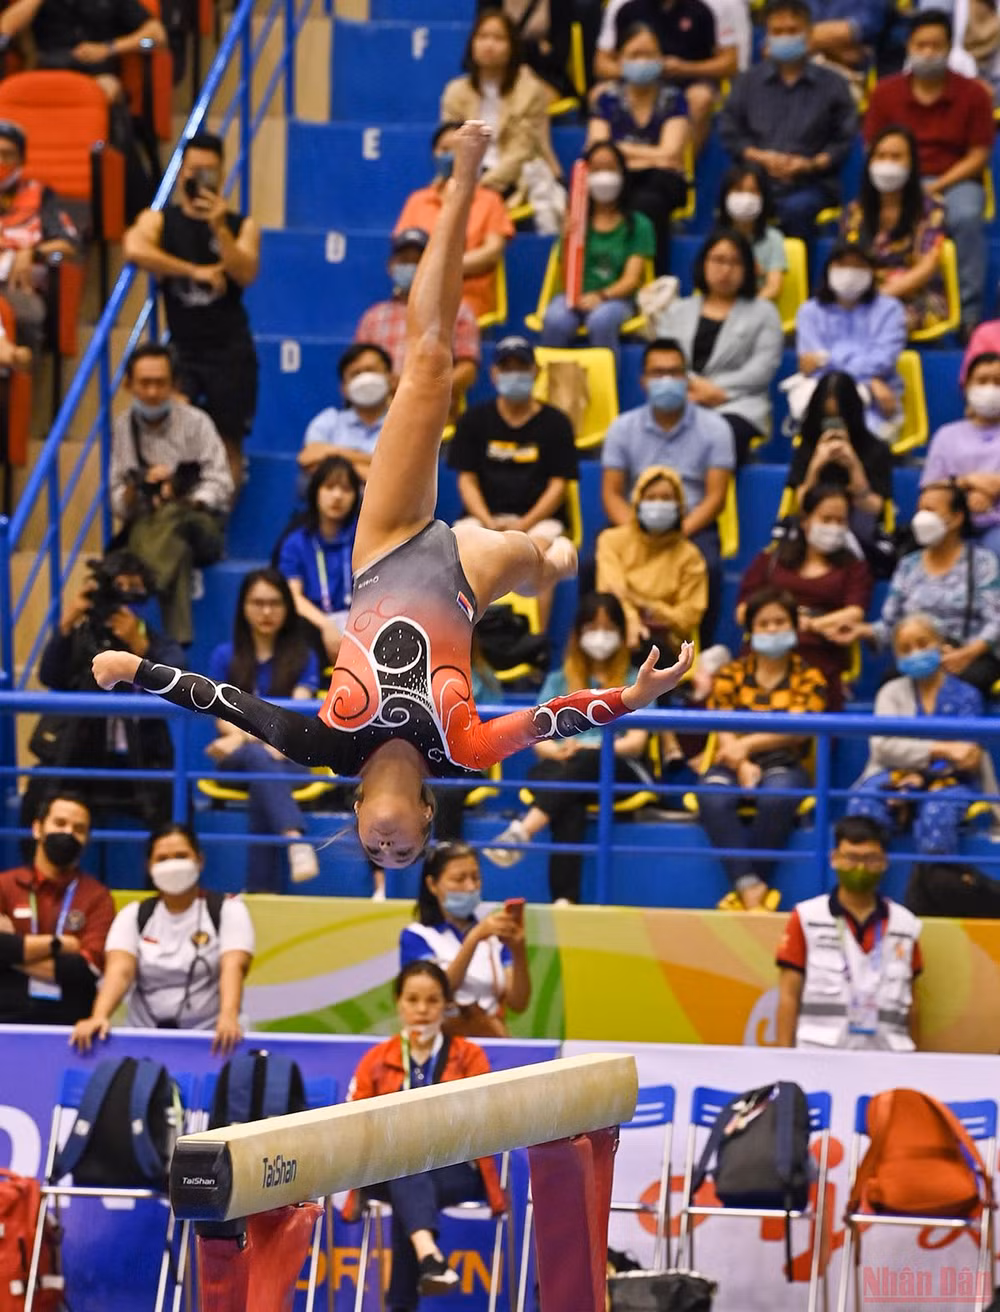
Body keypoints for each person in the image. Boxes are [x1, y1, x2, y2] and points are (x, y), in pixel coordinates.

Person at [92, 123, 695, 872]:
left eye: (376, 850)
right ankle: (548, 561)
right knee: (534, 554)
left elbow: (226, 702)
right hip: (467, 577)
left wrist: (135, 669)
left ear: (353, 811)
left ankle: (465, 174)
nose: (386, 844)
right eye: (404, 848)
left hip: (384, 546)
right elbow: (549, 720)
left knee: (431, 366)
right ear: (425, 813)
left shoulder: (324, 741)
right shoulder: (464, 749)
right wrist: (634, 698)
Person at [343, 961, 508, 1301]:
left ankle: (422, 1263)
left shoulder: (469, 1056)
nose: (422, 1009)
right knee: (407, 1167)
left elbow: (489, 1121)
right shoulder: (376, 1059)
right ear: (399, 1002)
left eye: (432, 1000)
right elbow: (354, 1122)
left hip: (455, 1169)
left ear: (447, 1004)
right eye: (413, 999)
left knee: (410, 1176)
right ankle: (429, 1256)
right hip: (386, 1169)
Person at [484, 593, 655, 905]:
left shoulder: (637, 679)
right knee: (569, 799)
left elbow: (636, 743)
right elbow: (538, 736)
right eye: (591, 626)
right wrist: (558, 751)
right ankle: (565, 901)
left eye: (608, 627)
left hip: (619, 772)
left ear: (621, 631)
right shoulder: (559, 679)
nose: (600, 635)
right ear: (578, 633)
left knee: (588, 759)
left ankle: (524, 830)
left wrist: (589, 747)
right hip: (563, 768)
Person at [122, 133, 260, 491]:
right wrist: (193, 271)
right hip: (183, 349)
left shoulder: (240, 225)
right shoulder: (159, 220)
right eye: (195, 169)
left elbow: (245, 271)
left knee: (229, 442)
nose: (201, 177)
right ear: (182, 170)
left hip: (231, 350)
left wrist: (217, 226)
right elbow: (134, 249)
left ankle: (218, 530)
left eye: (210, 171)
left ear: (223, 171)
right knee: (169, 433)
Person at [28, 550, 182, 830]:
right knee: (40, 788)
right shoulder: (84, 638)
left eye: (133, 588)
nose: (124, 597)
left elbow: (177, 687)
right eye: (117, 587)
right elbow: (51, 676)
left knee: (173, 800)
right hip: (82, 758)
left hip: (142, 762)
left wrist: (140, 646)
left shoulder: (158, 642)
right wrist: (66, 625)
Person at [696, 587, 827, 911]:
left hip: (784, 761)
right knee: (712, 794)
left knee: (777, 796)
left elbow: (799, 729)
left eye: (780, 622)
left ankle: (744, 890)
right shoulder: (730, 673)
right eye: (764, 623)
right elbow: (722, 723)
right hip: (730, 761)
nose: (772, 629)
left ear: (794, 628)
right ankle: (754, 892)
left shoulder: (810, 676)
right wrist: (741, 763)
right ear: (751, 631)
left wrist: (747, 745)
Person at [69, 823, 255, 1051]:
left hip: (213, 1038)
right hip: (144, 1038)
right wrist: (99, 1016)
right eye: (162, 859)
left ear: (200, 860)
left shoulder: (228, 911)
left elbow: (233, 967)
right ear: (149, 866)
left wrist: (228, 1016)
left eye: (181, 856)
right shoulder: (134, 916)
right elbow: (120, 971)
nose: (172, 865)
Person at [864, 9, 994, 332]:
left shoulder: (974, 94)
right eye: (921, 45)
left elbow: (979, 154)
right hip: (898, 176)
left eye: (936, 45)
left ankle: (968, 315)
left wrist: (935, 188)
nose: (927, 52)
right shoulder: (885, 93)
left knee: (965, 216)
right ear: (909, 45)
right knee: (863, 213)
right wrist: (903, 182)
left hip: (955, 179)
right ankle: (867, 300)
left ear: (950, 48)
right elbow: (873, 147)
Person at [601, 336, 735, 641]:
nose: (666, 380)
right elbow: (611, 493)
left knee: (710, 565)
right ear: (643, 380)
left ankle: (699, 654)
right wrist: (639, 534)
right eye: (657, 373)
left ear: (687, 379)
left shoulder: (716, 428)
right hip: (635, 522)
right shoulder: (622, 427)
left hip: (691, 523)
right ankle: (605, 644)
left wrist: (675, 532)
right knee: (589, 563)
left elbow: (716, 497)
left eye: (674, 373)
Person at [109, 341, 234, 646]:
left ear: (174, 384)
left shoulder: (196, 422)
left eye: (160, 383)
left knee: (174, 516)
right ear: (129, 385)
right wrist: (136, 490)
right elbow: (117, 499)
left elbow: (222, 483)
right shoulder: (123, 427)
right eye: (144, 383)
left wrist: (181, 493)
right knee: (174, 544)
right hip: (151, 524)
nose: (152, 392)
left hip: (201, 525)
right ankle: (178, 645)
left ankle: (144, 584)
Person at [447, 335, 577, 624]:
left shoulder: (557, 423)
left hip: (539, 520)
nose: (514, 374)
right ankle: (467, 644)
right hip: (481, 518)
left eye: (522, 367)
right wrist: (488, 521)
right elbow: (466, 480)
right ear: (494, 374)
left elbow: (559, 486)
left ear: (536, 372)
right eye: (507, 367)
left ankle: (538, 644)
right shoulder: (473, 421)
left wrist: (524, 525)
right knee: (457, 555)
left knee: (539, 555)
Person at [207, 568, 322, 891]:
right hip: (239, 761)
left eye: (275, 603)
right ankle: (295, 839)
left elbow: (295, 716)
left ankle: (261, 891)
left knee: (263, 771)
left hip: (287, 759)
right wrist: (264, 738)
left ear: (287, 608)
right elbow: (220, 719)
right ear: (243, 607)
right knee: (258, 757)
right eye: (257, 603)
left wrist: (241, 737)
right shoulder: (224, 657)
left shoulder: (304, 657)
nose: (266, 611)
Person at [846, 615, 996, 858]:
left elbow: (967, 756)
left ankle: (932, 890)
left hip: (952, 780)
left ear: (940, 644)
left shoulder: (967, 695)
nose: (916, 653)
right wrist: (942, 749)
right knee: (864, 804)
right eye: (906, 649)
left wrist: (922, 775)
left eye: (923, 644)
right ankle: (871, 886)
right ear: (897, 657)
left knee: (937, 811)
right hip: (892, 774)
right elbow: (883, 748)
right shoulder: (890, 692)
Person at [776, 815, 921, 1050]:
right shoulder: (807, 917)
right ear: (835, 859)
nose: (861, 868)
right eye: (852, 858)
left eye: (871, 859)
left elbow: (913, 1004)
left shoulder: (905, 924)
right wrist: (784, 1057)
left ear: (884, 862)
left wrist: (916, 1063)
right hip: (820, 1056)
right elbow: (788, 994)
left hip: (889, 1059)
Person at [717, 0, 858, 241]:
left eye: (793, 31)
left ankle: (798, 275)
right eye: (778, 32)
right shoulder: (747, 83)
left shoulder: (834, 85)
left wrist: (810, 164)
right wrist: (761, 158)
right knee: (735, 203)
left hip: (811, 182)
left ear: (809, 34)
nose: (785, 37)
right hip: (755, 179)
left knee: (797, 209)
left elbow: (843, 140)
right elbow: (730, 131)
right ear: (768, 37)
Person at [844, 481, 1000, 694]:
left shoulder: (983, 562)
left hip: (967, 656)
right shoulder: (908, 564)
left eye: (930, 510)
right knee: (890, 686)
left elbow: (995, 621)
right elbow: (891, 624)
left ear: (956, 517)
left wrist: (966, 654)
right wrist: (863, 631)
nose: (921, 518)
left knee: (961, 688)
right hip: (917, 656)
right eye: (919, 510)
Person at [652, 228, 783, 463]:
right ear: (704, 262)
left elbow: (762, 370)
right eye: (719, 260)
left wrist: (715, 390)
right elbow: (663, 360)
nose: (726, 269)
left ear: (748, 269)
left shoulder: (764, 312)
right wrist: (692, 387)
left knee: (718, 434)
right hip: (684, 399)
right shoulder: (677, 310)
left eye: (735, 262)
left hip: (738, 404)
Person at [738, 484, 873, 710]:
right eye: (827, 519)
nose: (834, 527)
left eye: (841, 521)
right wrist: (782, 622)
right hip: (762, 656)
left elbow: (854, 613)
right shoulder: (771, 560)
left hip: (819, 658)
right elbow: (743, 612)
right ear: (805, 521)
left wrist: (809, 624)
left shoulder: (854, 567)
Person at [0, 793, 114, 1025]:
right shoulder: (4, 885)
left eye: (79, 829)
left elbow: (85, 970)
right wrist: (59, 944)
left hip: (73, 1027)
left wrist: (10, 954)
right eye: (60, 823)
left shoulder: (98, 897)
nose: (68, 833)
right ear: (37, 828)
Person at [586, 22, 689, 274]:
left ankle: (654, 279)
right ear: (620, 59)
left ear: (660, 58)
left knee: (648, 202)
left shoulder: (673, 99)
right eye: (634, 55)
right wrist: (652, 156)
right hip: (620, 178)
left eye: (649, 55)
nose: (642, 61)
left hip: (661, 182)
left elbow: (672, 153)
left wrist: (621, 153)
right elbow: (598, 150)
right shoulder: (607, 99)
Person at [399, 841, 530, 1036]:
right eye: (459, 879)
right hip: (442, 1046)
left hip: (491, 1042)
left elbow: (519, 1004)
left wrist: (518, 950)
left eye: (475, 878)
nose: (470, 887)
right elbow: (438, 990)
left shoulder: (495, 937)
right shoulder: (416, 936)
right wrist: (475, 938)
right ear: (432, 884)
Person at [540, 140, 655, 361]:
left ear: (622, 173)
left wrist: (601, 296)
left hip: (616, 299)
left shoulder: (639, 224)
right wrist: (565, 239)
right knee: (555, 319)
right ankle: (553, 389)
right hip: (574, 296)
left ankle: (605, 388)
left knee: (601, 321)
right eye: (596, 169)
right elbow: (564, 273)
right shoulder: (574, 219)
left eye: (610, 168)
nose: (603, 176)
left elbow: (631, 279)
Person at [441, 10, 564, 213]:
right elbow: (447, 143)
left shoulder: (529, 90)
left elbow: (523, 151)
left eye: (498, 38)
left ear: (512, 47)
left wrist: (480, 185)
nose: (489, 44)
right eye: (482, 37)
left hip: (513, 179)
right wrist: (466, 180)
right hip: (466, 175)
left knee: (482, 207)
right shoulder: (456, 91)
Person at [355, 228, 481, 423]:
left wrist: (424, 388)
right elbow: (357, 368)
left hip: (432, 415)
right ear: (391, 266)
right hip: (379, 412)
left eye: (418, 260)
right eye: (404, 261)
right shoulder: (373, 317)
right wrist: (384, 386)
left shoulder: (456, 311)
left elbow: (467, 371)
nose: (411, 266)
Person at [395, 122, 514, 323]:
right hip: (416, 295)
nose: (450, 155)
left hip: (468, 297)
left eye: (457, 149)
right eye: (444, 149)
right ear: (433, 154)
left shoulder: (490, 200)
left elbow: (492, 252)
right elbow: (402, 252)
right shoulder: (417, 200)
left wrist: (440, 268)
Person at [842, 126, 948, 338]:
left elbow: (927, 266)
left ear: (911, 163)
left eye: (896, 156)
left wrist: (881, 295)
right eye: (881, 156)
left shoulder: (930, 208)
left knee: (884, 319)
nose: (887, 163)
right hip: (865, 293)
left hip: (916, 295)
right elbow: (847, 261)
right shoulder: (856, 211)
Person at [795, 243, 907, 442]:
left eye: (858, 266)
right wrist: (869, 379)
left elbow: (882, 361)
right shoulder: (809, 311)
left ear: (871, 272)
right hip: (826, 399)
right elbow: (811, 366)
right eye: (843, 265)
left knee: (870, 443)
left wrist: (826, 358)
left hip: (877, 403)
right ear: (828, 269)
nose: (850, 273)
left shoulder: (890, 310)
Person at [596, 464, 708, 655]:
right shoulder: (611, 541)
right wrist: (632, 621)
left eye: (666, 498)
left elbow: (687, 618)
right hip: (618, 633)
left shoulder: (690, 556)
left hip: (665, 643)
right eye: (650, 498)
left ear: (679, 506)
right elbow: (611, 591)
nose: (658, 504)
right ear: (638, 503)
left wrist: (645, 606)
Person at [599, 0, 734, 156]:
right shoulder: (628, 10)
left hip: (687, 81)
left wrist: (685, 68)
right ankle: (614, 159)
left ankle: (684, 163)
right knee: (600, 93)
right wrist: (634, 67)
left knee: (700, 97)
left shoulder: (701, 11)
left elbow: (729, 63)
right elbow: (601, 64)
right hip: (633, 84)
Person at [785, 370, 892, 550]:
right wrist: (816, 466)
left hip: (858, 530)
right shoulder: (807, 446)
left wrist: (854, 466)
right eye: (827, 420)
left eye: (839, 420)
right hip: (814, 530)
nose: (833, 428)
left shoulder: (875, 449)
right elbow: (802, 505)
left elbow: (875, 508)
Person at [0, 119, 78, 354]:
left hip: (18, 292)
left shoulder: (40, 196)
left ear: (21, 160)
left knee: (24, 315)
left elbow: (68, 247)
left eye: (7, 155)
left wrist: (32, 252)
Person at [276, 455, 361, 667]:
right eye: (330, 487)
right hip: (314, 627)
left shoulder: (363, 537)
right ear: (315, 491)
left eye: (346, 489)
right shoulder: (296, 542)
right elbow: (292, 596)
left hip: (360, 623)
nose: (337, 496)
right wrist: (326, 625)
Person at [922, 352, 1000, 558]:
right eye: (982, 381)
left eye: (998, 382)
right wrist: (966, 483)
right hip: (951, 523)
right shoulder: (946, 435)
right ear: (967, 387)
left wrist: (994, 487)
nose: (991, 388)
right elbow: (931, 488)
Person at [298, 343, 393, 483]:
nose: (365, 379)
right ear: (343, 388)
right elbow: (308, 457)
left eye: (371, 370)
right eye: (356, 374)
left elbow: (399, 479)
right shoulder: (330, 421)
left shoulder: (404, 426)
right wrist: (373, 465)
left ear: (390, 378)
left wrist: (333, 456)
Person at [716, 161, 786, 302]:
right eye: (738, 190)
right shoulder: (716, 239)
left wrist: (748, 311)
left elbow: (774, 288)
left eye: (753, 191)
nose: (746, 199)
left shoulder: (773, 238)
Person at [480, 0, 575, 98]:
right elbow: (477, 47)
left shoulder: (560, 3)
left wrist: (507, 46)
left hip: (544, 76)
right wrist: (536, 47)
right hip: (496, 73)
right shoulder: (490, 3)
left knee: (525, 98)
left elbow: (557, 57)